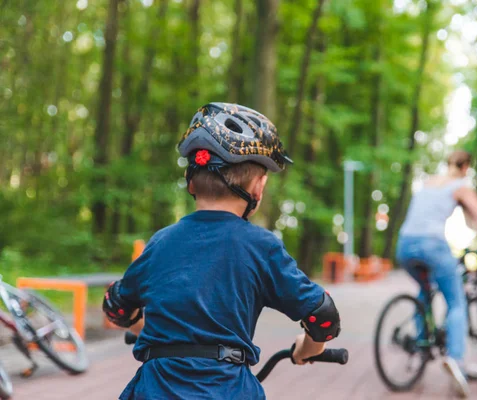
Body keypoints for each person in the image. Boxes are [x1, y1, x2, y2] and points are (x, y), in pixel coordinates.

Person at [103, 103, 341, 400]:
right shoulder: (261, 247)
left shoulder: (161, 243)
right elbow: (323, 317)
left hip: (154, 390)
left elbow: (116, 306)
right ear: (258, 188)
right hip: (227, 390)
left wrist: (148, 331)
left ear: (191, 182)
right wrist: (307, 349)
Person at [395, 150, 477, 398]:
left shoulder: (428, 182)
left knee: (425, 289)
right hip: (432, 245)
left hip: (404, 246)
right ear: (466, 167)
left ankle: (422, 346)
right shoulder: (461, 185)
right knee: (456, 302)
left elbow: (467, 221)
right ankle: (456, 359)